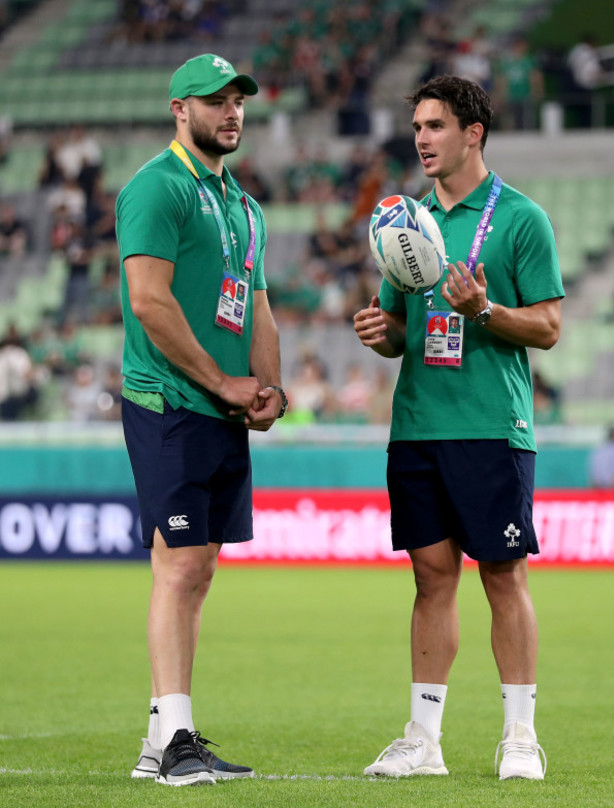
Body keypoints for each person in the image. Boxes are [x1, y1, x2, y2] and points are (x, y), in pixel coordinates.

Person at [353, 75, 564, 781]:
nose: (422, 138)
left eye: (436, 125)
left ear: (473, 133)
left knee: (504, 576)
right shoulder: (401, 223)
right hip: (416, 425)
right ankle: (423, 739)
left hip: (491, 426)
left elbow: (549, 326)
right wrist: (380, 331)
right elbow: (399, 334)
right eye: (417, 126)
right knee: (430, 578)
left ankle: (521, 737)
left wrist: (482, 309)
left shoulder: (521, 219)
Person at [115, 53, 287, 787]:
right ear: (178, 109)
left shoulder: (244, 207)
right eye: (214, 100)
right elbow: (150, 302)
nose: (232, 112)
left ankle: (164, 740)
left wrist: (269, 390)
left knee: (201, 568)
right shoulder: (156, 188)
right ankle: (179, 741)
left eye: (238, 100)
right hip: (169, 401)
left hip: (219, 409)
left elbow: (259, 309)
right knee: (179, 563)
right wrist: (223, 381)